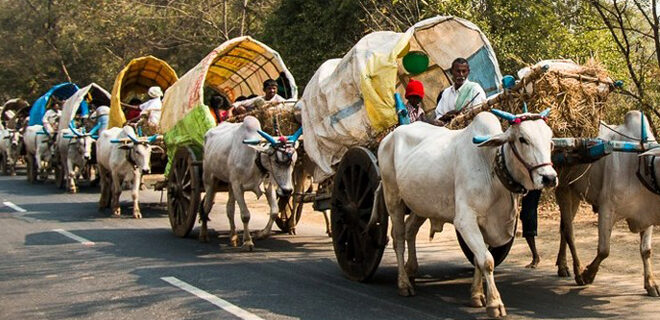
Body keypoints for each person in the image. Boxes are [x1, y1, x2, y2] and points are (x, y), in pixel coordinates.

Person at [434, 58, 487, 122]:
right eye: (458, 71)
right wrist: (445, 117)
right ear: (451, 72)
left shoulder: (475, 89)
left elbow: (480, 114)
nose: (461, 74)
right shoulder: (446, 93)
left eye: (464, 71)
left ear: (468, 72)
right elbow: (438, 116)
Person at [521, 189, 542, 268]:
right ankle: (535, 256)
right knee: (526, 216)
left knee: (528, 216)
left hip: (531, 186)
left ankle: (535, 256)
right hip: (527, 186)